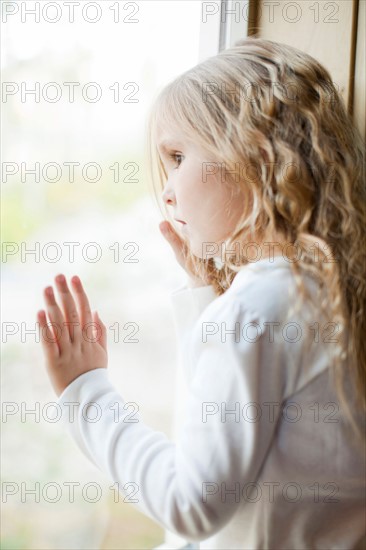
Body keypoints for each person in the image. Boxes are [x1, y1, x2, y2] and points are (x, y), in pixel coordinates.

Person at [37, 37, 366, 549]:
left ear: (255, 157)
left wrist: (87, 393)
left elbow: (189, 503)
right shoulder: (326, 290)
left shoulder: (261, 304)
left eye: (177, 156)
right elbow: (223, 433)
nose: (166, 190)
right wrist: (205, 296)